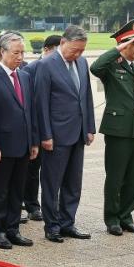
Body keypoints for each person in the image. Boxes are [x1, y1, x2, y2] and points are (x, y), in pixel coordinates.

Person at [90, 19, 134, 236]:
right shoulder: (112, 67)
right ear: (123, 44)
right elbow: (95, 67)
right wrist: (117, 48)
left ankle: (127, 217)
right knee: (116, 177)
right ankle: (112, 219)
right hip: (118, 131)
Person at [34, 25, 96, 243]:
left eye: (81, 50)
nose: (77, 54)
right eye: (74, 50)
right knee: (52, 183)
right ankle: (52, 226)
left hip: (78, 132)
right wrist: (45, 135)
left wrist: (89, 127)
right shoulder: (46, 65)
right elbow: (40, 103)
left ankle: (68, 222)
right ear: (62, 43)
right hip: (56, 135)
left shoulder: (81, 63)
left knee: (73, 182)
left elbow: (85, 96)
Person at [0, 33, 38, 249]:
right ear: (1, 53)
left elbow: (30, 111)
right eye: (15, 53)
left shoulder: (24, 76)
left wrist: (33, 141)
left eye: (22, 53)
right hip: (2, 147)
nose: (20, 57)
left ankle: (13, 229)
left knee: (18, 190)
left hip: (23, 145)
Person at [22, 34, 61, 222]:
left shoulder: (63, 68)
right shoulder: (31, 69)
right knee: (32, 169)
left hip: (56, 129)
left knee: (53, 171)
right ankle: (31, 204)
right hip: (36, 127)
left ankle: (52, 206)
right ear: (46, 50)